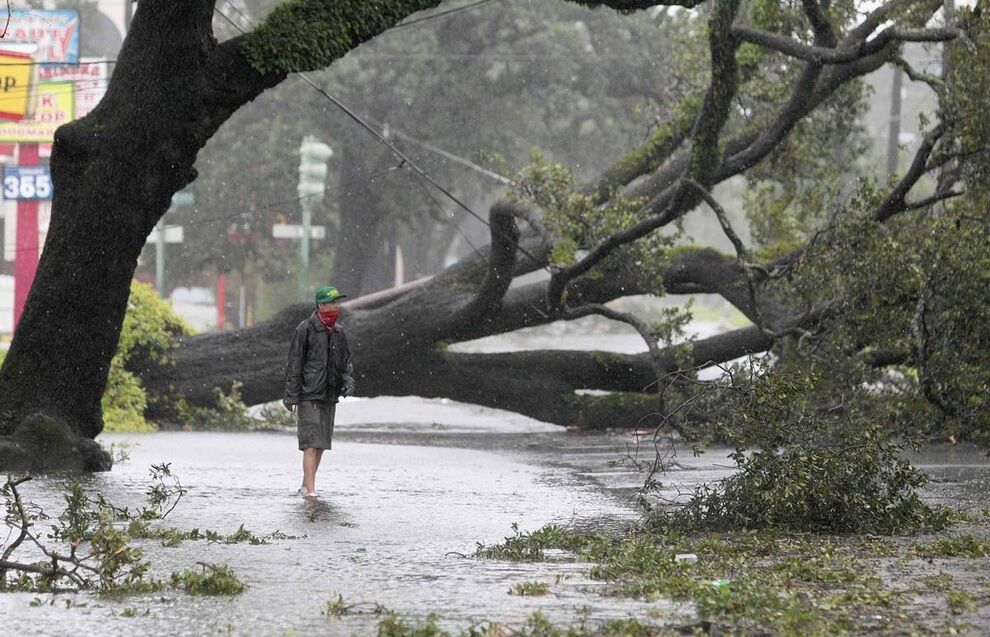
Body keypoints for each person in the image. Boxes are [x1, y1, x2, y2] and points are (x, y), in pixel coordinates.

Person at [283, 285, 355, 497]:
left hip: (329, 395)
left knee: (321, 444)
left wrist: (348, 381)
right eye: (331, 303)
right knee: (310, 445)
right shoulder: (305, 329)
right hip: (309, 395)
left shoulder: (339, 333)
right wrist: (291, 395)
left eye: (337, 303)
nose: (335, 306)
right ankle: (311, 493)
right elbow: (295, 363)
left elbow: (346, 363)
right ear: (320, 305)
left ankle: (306, 485)